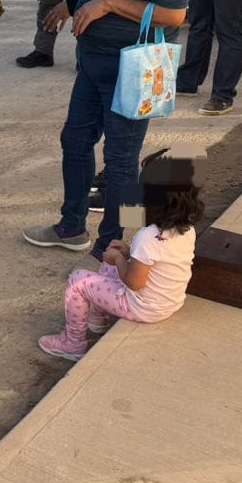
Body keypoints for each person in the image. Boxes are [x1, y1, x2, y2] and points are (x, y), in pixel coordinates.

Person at [22, 0, 200, 259]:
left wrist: (108, 3)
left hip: (133, 67)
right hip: (96, 59)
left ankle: (114, 249)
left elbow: (175, 14)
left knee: (122, 159)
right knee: (74, 141)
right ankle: (71, 226)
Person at [37, 148, 204, 361]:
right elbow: (159, 262)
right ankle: (97, 320)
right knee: (111, 259)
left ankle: (73, 343)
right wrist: (126, 253)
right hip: (169, 300)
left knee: (77, 280)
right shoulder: (187, 228)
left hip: (144, 308)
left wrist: (118, 259)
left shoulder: (148, 236)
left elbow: (135, 283)